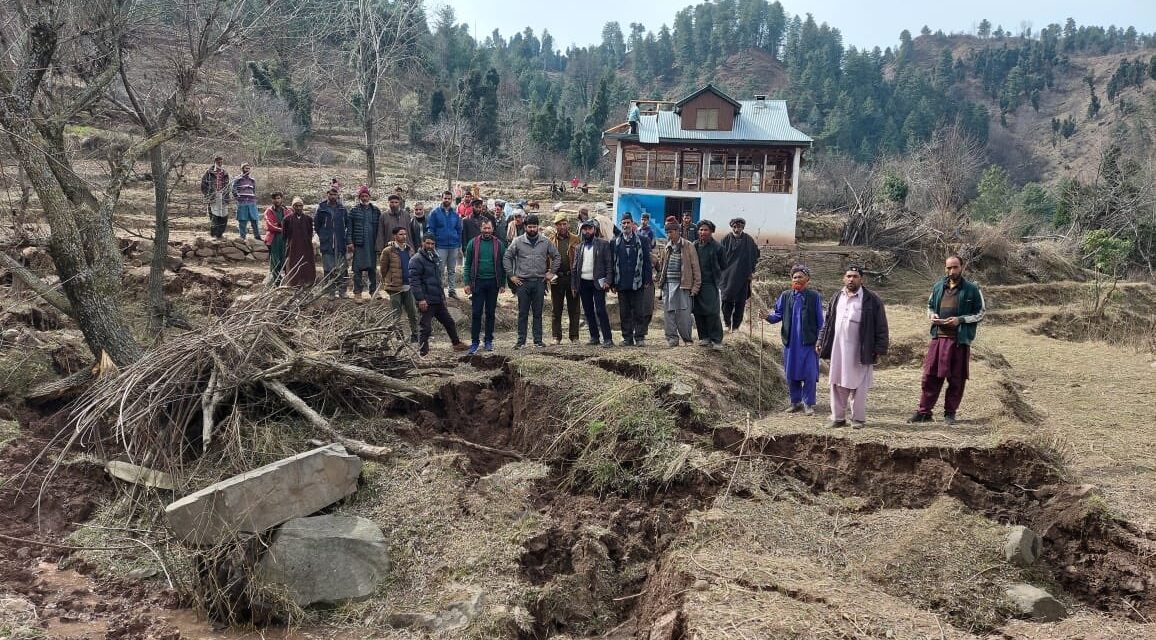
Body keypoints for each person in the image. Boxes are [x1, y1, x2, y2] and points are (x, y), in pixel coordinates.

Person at [908, 256, 986, 426]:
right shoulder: (938, 287)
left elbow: (981, 312)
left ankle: (950, 413)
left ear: (962, 267)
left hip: (959, 341)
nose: (952, 271)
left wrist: (960, 320)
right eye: (949, 268)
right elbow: (930, 306)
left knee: (956, 379)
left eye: (955, 267)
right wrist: (932, 316)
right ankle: (924, 412)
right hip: (938, 338)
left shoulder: (972, 289)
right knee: (930, 376)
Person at [818, 267, 889, 429]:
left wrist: (879, 348)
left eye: (855, 276)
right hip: (838, 349)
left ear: (862, 279)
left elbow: (881, 325)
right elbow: (827, 322)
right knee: (836, 382)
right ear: (844, 278)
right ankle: (838, 418)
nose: (851, 279)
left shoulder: (872, 299)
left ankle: (858, 419)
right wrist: (821, 340)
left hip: (861, 349)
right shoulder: (837, 296)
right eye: (848, 276)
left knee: (859, 385)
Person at [765, 266, 824, 415]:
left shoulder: (814, 296)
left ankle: (808, 403)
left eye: (800, 277)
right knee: (791, 373)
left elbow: (820, 321)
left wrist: (820, 340)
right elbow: (777, 315)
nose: (797, 279)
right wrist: (767, 317)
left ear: (807, 279)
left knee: (809, 374)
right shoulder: (785, 296)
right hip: (791, 343)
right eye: (794, 277)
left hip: (809, 342)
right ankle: (795, 401)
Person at [503, 214, 560, 349]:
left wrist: (551, 272)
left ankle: (538, 341)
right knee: (523, 313)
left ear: (538, 227)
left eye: (534, 227)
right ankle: (521, 341)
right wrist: (511, 275)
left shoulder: (545, 242)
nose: (532, 229)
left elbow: (557, 256)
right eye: (530, 227)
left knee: (537, 313)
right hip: (522, 283)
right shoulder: (517, 241)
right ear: (525, 227)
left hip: (539, 282)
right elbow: (507, 257)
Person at [410, 234, 469, 356]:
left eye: (432, 244)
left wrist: (442, 296)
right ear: (422, 243)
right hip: (426, 300)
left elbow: (438, 280)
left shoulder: (435, 257)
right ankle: (423, 352)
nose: (430, 246)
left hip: (437, 299)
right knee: (425, 328)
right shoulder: (416, 260)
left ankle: (456, 344)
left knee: (449, 322)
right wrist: (420, 299)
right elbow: (414, 282)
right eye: (428, 243)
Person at [462, 219, 507, 354]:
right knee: (476, 313)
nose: (486, 231)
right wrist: (466, 283)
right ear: (480, 229)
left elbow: (503, 265)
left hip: (493, 283)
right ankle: (475, 342)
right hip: (477, 283)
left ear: (492, 229)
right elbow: (467, 264)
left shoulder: (499, 244)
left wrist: (502, 283)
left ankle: (488, 340)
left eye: (489, 228)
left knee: (490, 313)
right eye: (484, 228)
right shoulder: (473, 243)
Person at [611, 215, 653, 347]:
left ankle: (639, 337)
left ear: (632, 224)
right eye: (623, 223)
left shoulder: (642, 240)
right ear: (620, 224)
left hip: (638, 283)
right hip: (621, 283)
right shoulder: (615, 242)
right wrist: (613, 283)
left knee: (639, 311)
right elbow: (612, 264)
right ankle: (627, 338)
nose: (625, 225)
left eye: (628, 222)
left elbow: (647, 261)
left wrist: (648, 278)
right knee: (624, 312)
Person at [572, 218, 614, 347]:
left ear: (594, 230)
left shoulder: (603, 244)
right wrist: (574, 285)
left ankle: (608, 338)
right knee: (588, 311)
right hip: (583, 283)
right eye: (584, 229)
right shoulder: (579, 247)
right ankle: (594, 337)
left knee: (600, 310)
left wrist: (608, 280)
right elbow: (575, 267)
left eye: (589, 229)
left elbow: (609, 264)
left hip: (598, 283)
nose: (587, 231)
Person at [657, 223, 701, 347]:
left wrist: (696, 286)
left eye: (671, 232)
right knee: (668, 313)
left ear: (677, 231)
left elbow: (695, 267)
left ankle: (687, 339)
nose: (669, 235)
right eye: (667, 232)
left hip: (683, 285)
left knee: (684, 315)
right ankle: (672, 339)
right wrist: (661, 283)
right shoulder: (667, 247)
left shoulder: (688, 245)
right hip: (668, 284)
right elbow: (663, 265)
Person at [379, 227, 419, 344]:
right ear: (395, 236)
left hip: (408, 286)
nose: (404, 236)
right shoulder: (388, 251)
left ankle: (415, 335)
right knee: (396, 314)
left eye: (405, 234)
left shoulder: (409, 249)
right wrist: (388, 281)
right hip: (394, 287)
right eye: (401, 234)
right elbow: (383, 269)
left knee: (412, 312)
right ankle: (399, 337)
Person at [720, 217, 761, 332]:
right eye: (735, 227)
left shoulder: (749, 240)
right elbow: (719, 256)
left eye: (739, 227)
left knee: (740, 302)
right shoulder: (725, 240)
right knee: (726, 300)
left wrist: (751, 271)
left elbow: (755, 255)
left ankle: (736, 327)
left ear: (743, 227)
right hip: (727, 276)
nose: (737, 229)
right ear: (732, 227)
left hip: (743, 276)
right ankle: (727, 324)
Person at [692, 220, 727, 350]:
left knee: (712, 311)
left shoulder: (718, 247)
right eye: (701, 229)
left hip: (710, 283)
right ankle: (704, 337)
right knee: (698, 311)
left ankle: (716, 339)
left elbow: (724, 265)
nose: (703, 232)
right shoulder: (694, 246)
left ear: (711, 231)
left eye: (706, 230)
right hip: (696, 283)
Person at [550, 212, 581, 345]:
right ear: (556, 226)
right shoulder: (550, 241)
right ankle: (556, 337)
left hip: (571, 277)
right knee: (556, 309)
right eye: (559, 224)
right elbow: (546, 259)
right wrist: (549, 274)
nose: (562, 227)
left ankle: (574, 336)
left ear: (568, 224)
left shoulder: (576, 239)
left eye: (564, 224)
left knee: (574, 309)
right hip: (557, 278)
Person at [347, 186, 382, 301]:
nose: (364, 198)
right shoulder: (354, 211)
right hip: (359, 244)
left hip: (372, 244)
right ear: (359, 197)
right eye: (362, 196)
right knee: (357, 269)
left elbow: (380, 228)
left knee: (372, 268)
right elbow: (349, 228)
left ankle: (373, 291)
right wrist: (350, 242)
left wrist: (379, 243)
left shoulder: (376, 211)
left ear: (369, 197)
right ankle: (357, 292)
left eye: (366, 196)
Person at [427, 190, 463, 299]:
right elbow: (430, 229)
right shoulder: (435, 213)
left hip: (453, 246)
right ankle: (440, 291)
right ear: (441, 198)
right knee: (440, 269)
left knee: (452, 270)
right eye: (445, 198)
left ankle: (452, 291)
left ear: (452, 200)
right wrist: (432, 244)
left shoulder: (455, 214)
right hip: (440, 246)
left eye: (449, 198)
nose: (447, 200)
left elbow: (459, 230)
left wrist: (459, 244)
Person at [315, 186, 348, 298]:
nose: (333, 196)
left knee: (342, 268)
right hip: (327, 243)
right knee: (328, 269)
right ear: (327, 194)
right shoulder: (321, 208)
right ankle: (330, 291)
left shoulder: (342, 209)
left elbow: (347, 223)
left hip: (340, 242)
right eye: (331, 194)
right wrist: (324, 235)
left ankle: (342, 291)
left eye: (335, 195)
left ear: (337, 196)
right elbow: (317, 225)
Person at [281, 196, 316, 288]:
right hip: (293, 247)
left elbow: (310, 233)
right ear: (293, 207)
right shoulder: (287, 219)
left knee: (306, 265)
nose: (298, 208)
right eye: (296, 206)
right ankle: (294, 284)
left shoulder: (308, 219)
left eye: (300, 206)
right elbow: (284, 235)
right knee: (293, 264)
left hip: (306, 246)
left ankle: (307, 283)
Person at [200, 156, 230, 238]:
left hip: (223, 196)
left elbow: (228, 186)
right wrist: (208, 194)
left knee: (224, 215)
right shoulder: (209, 172)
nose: (220, 163)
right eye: (218, 162)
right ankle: (214, 234)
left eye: (221, 162)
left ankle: (220, 234)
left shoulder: (225, 173)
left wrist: (227, 195)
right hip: (213, 196)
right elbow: (203, 185)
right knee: (214, 215)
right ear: (215, 162)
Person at [262, 192, 287, 286]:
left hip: (285, 238)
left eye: (278, 198)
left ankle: (286, 280)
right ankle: (276, 282)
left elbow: (289, 222)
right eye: (275, 198)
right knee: (275, 260)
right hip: (274, 238)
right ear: (272, 200)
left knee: (285, 258)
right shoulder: (268, 211)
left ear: (281, 199)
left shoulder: (286, 210)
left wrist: (280, 225)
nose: (277, 200)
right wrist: (281, 228)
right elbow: (270, 225)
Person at [377, 193, 412, 261]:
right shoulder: (384, 216)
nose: (394, 204)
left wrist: (411, 247)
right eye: (392, 202)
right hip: (389, 247)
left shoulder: (406, 215)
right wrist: (380, 250)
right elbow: (380, 234)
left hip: (404, 247)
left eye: (396, 202)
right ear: (388, 203)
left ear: (399, 203)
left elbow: (409, 232)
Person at [231, 163, 260, 240]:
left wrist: (253, 199)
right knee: (242, 221)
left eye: (248, 168)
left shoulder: (252, 180)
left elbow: (253, 191)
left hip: (252, 203)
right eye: (246, 168)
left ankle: (257, 236)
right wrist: (238, 198)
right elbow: (233, 190)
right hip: (242, 203)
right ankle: (242, 237)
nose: (247, 170)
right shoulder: (237, 179)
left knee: (255, 220)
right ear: (242, 169)